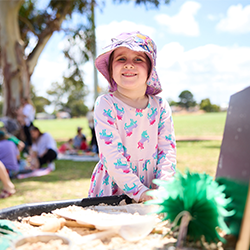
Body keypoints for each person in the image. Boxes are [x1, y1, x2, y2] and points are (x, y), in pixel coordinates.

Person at [88, 31, 177, 203]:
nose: (129, 65)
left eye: (138, 59)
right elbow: (111, 155)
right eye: (121, 59)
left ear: (150, 69)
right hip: (114, 188)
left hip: (153, 186)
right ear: (110, 68)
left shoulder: (160, 106)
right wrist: (140, 192)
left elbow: (167, 151)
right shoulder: (106, 104)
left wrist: (163, 188)